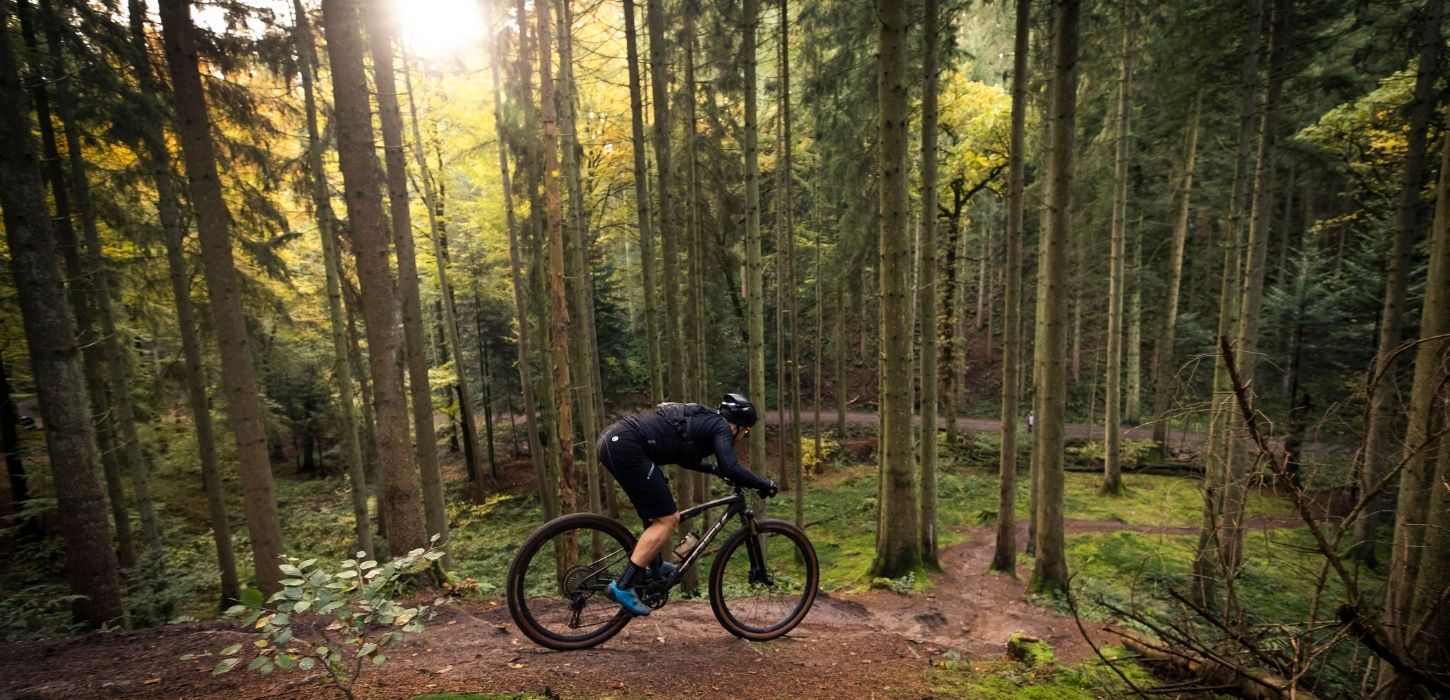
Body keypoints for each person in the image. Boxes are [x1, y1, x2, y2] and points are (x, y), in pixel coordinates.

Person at [596, 392, 778, 616]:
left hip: (614, 440)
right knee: (667, 519)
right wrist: (763, 483)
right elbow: (731, 467)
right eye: (747, 432)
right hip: (627, 446)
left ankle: (654, 565)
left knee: (660, 509)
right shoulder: (721, 426)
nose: (744, 437)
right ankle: (623, 586)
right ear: (739, 426)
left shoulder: (705, 421)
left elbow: (686, 458)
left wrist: (714, 470)